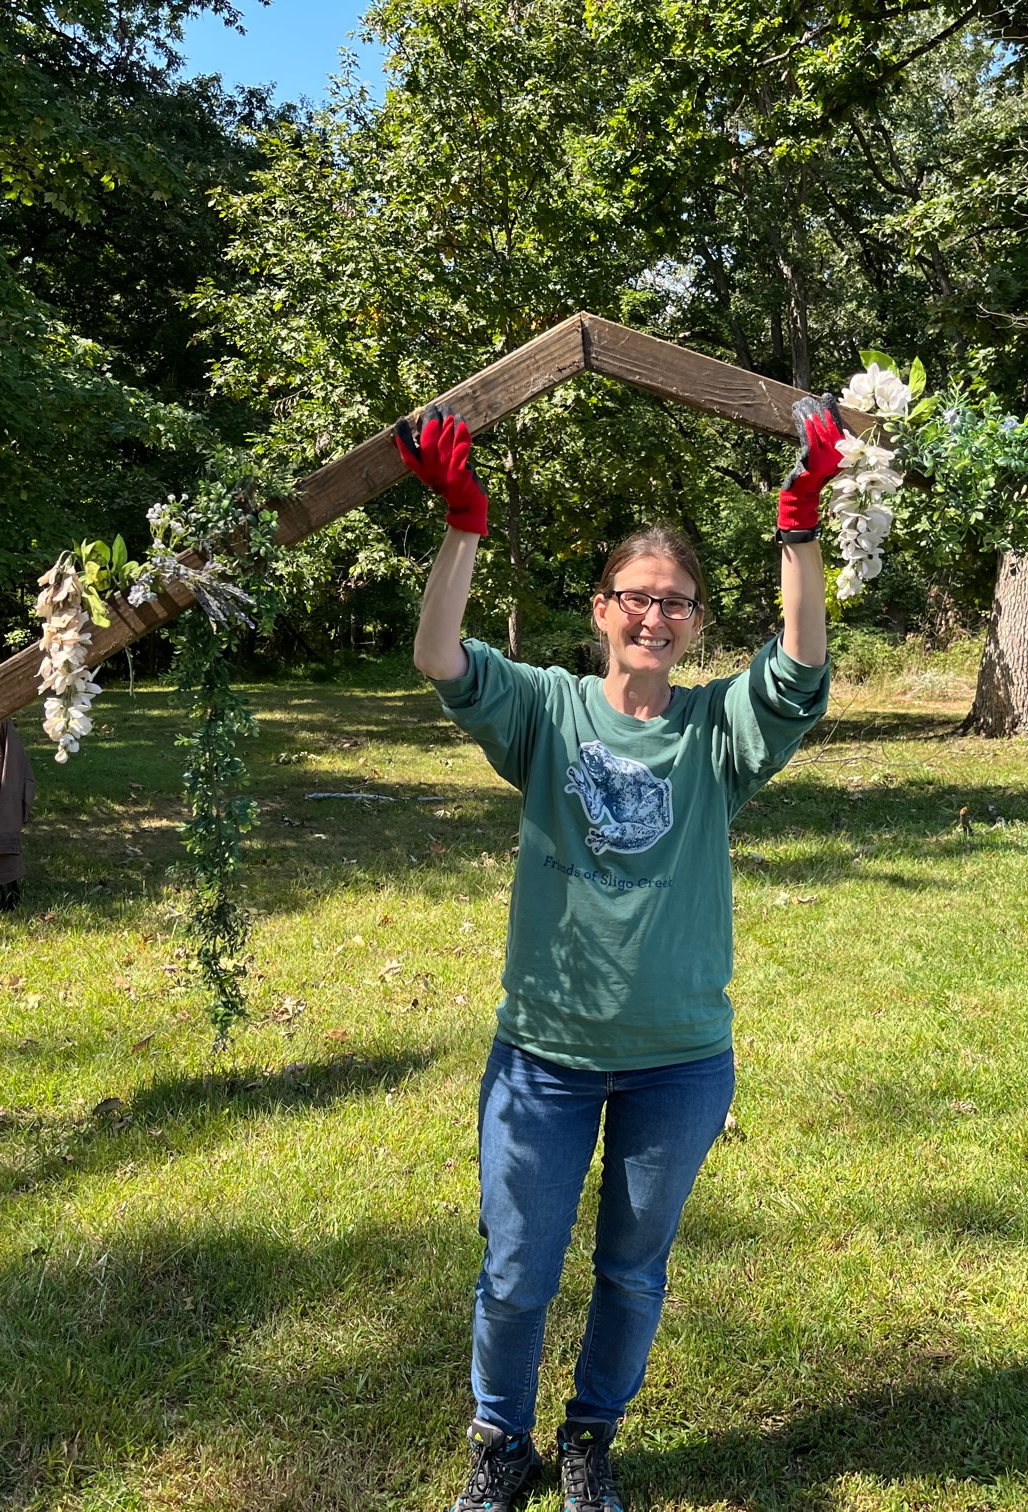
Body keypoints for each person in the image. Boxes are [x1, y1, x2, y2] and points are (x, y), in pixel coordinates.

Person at [399, 395, 844, 1512]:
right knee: (516, 1275)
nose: (656, 617)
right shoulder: (545, 712)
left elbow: (796, 674)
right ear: (602, 611)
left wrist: (800, 526)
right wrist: (463, 522)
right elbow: (438, 654)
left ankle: (591, 1438)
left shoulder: (713, 733)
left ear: (695, 624)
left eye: (677, 604)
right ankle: (501, 1446)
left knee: (632, 1273)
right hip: (543, 1056)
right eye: (638, 599)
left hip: (679, 1059)